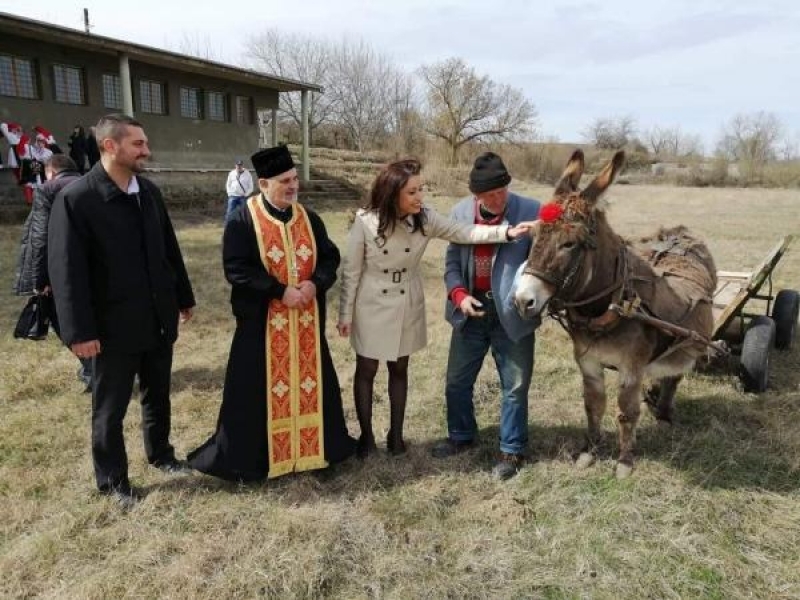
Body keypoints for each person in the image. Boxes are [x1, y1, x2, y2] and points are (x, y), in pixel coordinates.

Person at [336, 158, 532, 458]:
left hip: (406, 300)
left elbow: (464, 232)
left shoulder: (424, 219)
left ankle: (396, 437)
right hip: (372, 301)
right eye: (412, 192)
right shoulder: (365, 221)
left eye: (421, 190)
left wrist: (505, 233)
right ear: (393, 193)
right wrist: (344, 315)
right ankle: (366, 437)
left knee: (400, 367)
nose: (420, 197)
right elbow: (350, 271)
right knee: (367, 368)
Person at [48, 113, 196, 508]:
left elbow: (169, 249)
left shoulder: (148, 192)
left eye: (145, 143)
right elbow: (67, 271)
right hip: (110, 327)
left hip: (156, 317)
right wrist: (78, 331)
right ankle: (113, 481)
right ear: (110, 146)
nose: (146, 150)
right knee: (109, 408)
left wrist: (183, 295)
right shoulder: (77, 199)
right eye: (138, 144)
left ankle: (161, 454)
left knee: (158, 393)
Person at [188, 145, 355, 481]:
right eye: (285, 181)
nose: (293, 186)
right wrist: (280, 291)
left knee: (314, 386)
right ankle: (253, 461)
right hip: (259, 328)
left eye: (294, 179)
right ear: (263, 184)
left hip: (306, 326)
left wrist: (314, 285)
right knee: (253, 394)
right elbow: (236, 268)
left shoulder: (310, 219)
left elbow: (329, 258)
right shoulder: (242, 219)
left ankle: (316, 453)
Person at [431, 151, 541, 480]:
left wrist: (543, 224)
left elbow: (563, 214)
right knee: (457, 381)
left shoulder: (531, 208)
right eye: (490, 195)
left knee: (515, 384)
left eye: (502, 191)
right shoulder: (460, 212)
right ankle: (461, 437)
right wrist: (459, 295)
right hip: (470, 309)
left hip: (512, 312)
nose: (498, 198)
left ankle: (512, 449)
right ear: (475, 196)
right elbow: (451, 263)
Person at [14, 154, 91, 389]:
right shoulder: (92, 184)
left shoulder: (47, 190)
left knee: (62, 319)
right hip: (91, 266)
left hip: (60, 268)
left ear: (51, 171)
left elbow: (40, 236)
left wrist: (40, 279)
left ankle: (92, 370)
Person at [224, 159, 254, 223]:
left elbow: (251, 186)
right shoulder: (231, 173)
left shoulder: (247, 174)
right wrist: (229, 193)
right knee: (230, 211)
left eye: (240, 165)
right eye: (238, 165)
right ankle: (228, 225)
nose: (239, 166)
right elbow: (228, 184)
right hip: (233, 196)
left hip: (243, 197)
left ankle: (244, 226)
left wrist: (246, 194)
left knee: (244, 212)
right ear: (235, 165)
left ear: (242, 166)